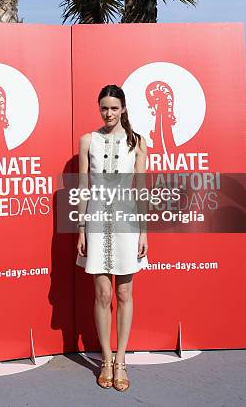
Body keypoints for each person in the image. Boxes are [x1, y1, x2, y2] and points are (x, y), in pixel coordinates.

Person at [75, 84, 149, 391]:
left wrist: (144, 230)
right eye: (104, 107)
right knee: (103, 295)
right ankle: (105, 360)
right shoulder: (87, 141)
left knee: (124, 294)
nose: (109, 113)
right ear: (99, 108)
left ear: (123, 109)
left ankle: (121, 360)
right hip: (96, 220)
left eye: (114, 108)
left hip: (128, 222)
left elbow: (142, 189)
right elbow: (82, 186)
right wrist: (80, 228)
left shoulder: (138, 142)